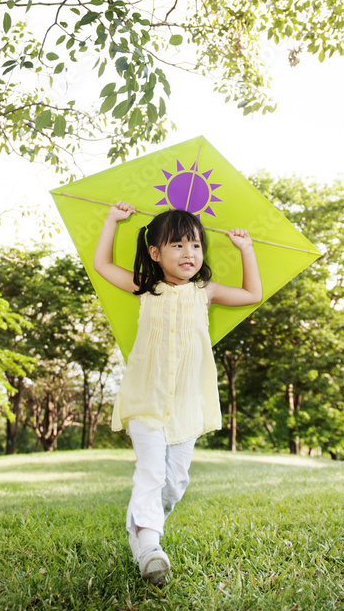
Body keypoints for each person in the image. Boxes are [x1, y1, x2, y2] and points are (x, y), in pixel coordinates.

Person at [93, 202, 262, 586]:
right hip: (146, 397)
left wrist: (245, 249)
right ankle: (151, 549)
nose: (189, 253)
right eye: (178, 245)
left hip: (188, 401)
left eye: (196, 246)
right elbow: (102, 265)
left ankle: (140, 529)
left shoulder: (205, 291)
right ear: (155, 253)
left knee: (175, 483)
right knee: (151, 472)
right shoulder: (146, 288)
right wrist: (111, 221)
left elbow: (253, 293)